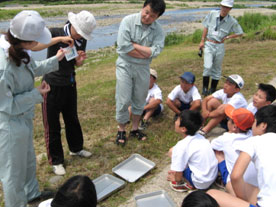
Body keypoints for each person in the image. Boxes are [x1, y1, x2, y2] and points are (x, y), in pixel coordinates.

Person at [0, 10, 66, 207]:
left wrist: (57, 59)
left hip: (23, 118)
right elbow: (6, 105)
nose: (38, 44)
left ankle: (31, 194)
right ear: (26, 42)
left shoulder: (19, 50)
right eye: (36, 41)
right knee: (13, 172)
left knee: (28, 160)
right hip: (9, 124)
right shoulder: (4, 66)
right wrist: (36, 93)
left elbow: (33, 68)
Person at [41, 10, 97, 176]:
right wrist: (60, 40)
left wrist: (79, 61)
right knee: (52, 124)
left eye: (83, 34)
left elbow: (76, 63)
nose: (81, 36)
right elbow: (38, 44)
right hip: (51, 85)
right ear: (73, 25)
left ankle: (76, 148)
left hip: (69, 83)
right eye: (79, 32)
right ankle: (56, 160)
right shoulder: (55, 33)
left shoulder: (81, 40)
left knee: (72, 119)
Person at [115, 0, 166, 145]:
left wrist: (135, 46)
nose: (147, 17)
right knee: (123, 99)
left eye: (153, 15)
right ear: (143, 7)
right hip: (125, 65)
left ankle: (135, 128)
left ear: (157, 17)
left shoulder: (158, 30)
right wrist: (146, 52)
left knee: (139, 98)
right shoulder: (128, 21)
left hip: (144, 68)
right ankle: (121, 129)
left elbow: (155, 52)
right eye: (146, 12)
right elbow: (124, 47)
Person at [207, 105, 276, 207]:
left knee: (212, 194)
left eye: (255, 122)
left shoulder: (254, 141)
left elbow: (235, 176)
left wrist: (241, 201)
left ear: (263, 125)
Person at [199, 0, 243, 96]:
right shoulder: (212, 14)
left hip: (219, 45)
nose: (224, 9)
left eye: (227, 7)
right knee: (207, 66)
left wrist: (228, 37)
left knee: (217, 68)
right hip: (209, 43)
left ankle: (212, 89)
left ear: (230, 9)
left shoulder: (232, 21)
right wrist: (202, 40)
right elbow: (206, 26)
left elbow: (240, 33)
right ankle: (205, 88)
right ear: (220, 6)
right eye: (223, 6)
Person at [211, 105, 257, 195]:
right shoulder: (252, 135)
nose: (227, 121)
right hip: (255, 183)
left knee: (218, 153)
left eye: (229, 119)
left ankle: (221, 180)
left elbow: (212, 145)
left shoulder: (226, 138)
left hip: (235, 182)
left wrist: (228, 133)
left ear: (234, 127)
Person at [167, 110, 218, 192]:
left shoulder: (181, 146)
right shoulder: (200, 137)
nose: (175, 121)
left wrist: (176, 178)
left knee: (174, 158)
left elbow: (178, 172)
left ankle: (187, 184)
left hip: (201, 182)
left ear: (183, 129)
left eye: (178, 120)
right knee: (172, 151)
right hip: (212, 176)